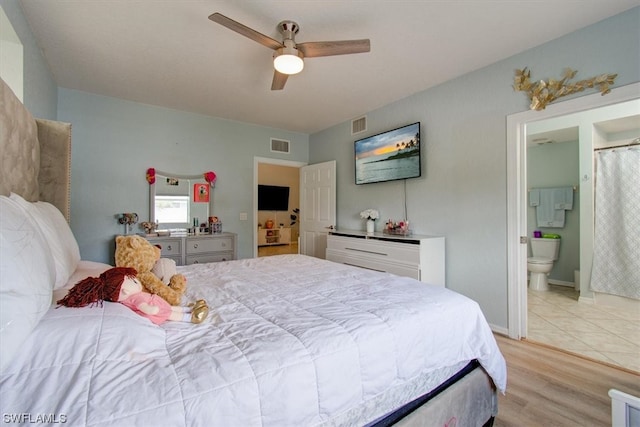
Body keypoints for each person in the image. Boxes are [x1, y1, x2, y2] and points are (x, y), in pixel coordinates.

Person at [57, 267, 209, 324]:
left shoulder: (133, 294)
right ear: (124, 291)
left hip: (156, 302)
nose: (137, 281)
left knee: (169, 307)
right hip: (155, 309)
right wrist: (153, 310)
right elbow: (144, 307)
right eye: (132, 281)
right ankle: (190, 317)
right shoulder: (134, 298)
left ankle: (187, 309)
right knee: (168, 312)